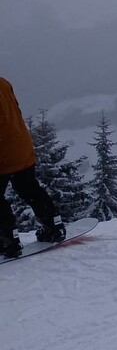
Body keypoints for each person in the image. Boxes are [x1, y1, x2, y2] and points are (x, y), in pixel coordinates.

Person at [1, 77, 66, 259]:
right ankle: (54, 226)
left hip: (2, 152)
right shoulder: (3, 83)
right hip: (21, 145)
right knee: (29, 188)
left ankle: (7, 241)